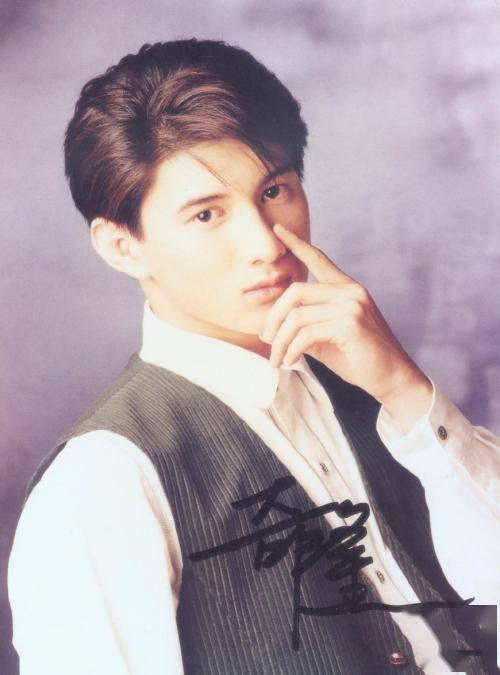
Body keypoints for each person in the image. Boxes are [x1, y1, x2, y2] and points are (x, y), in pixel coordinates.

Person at [7, 38, 500, 675]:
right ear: (124, 247)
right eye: (206, 215)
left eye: (274, 191)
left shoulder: (372, 386)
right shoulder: (105, 479)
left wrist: (407, 393)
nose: (265, 245)